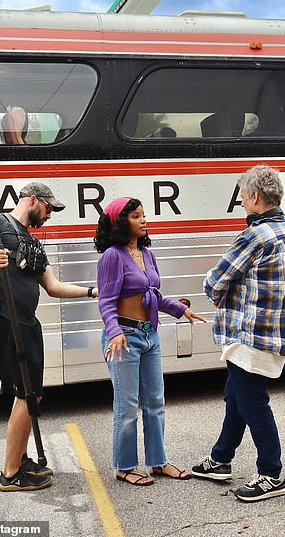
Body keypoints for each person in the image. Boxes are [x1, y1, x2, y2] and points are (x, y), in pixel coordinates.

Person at [0, 181, 99, 491]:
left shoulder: (33, 243)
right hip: (3, 318)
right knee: (27, 393)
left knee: (31, 392)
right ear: (33, 200)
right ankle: (10, 474)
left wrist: (93, 291)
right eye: (48, 208)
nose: (50, 215)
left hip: (26, 322)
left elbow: (54, 287)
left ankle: (19, 459)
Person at [192, 164, 285, 502]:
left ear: (256, 196)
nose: (242, 203)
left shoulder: (255, 236)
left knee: (253, 403)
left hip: (249, 335)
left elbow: (215, 280)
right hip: (277, 335)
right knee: (236, 398)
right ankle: (221, 458)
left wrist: (216, 293)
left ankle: (271, 474)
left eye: (243, 197)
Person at [95, 196, 206, 486]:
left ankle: (157, 461)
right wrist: (115, 331)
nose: (143, 220)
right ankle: (125, 466)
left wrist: (181, 310)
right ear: (121, 223)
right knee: (128, 405)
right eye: (135, 217)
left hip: (149, 335)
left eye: (144, 215)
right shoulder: (112, 256)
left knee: (156, 402)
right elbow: (106, 301)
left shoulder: (146, 253)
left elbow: (154, 294)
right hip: (124, 337)